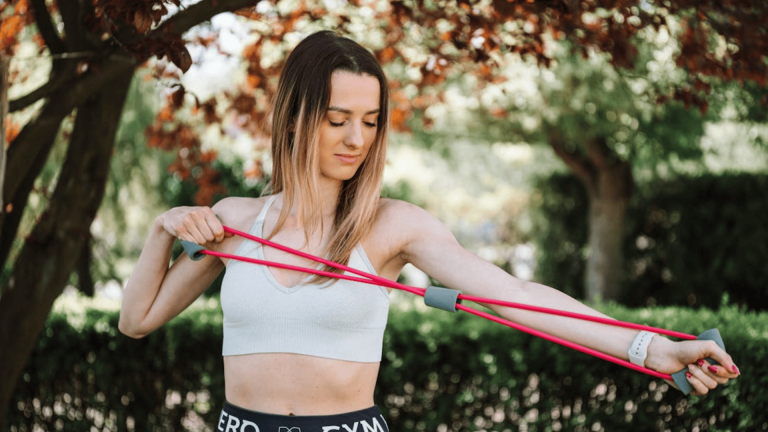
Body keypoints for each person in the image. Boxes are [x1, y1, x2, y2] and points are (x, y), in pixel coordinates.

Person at [118, 30, 739, 431]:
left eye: (369, 121)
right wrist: (162, 230)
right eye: (337, 119)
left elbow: (515, 296)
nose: (356, 139)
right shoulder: (232, 222)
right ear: (296, 118)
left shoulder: (393, 225)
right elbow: (137, 320)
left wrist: (652, 348)